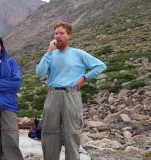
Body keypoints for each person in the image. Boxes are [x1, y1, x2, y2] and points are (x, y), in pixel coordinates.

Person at [36, 21, 107, 160]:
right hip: (52, 94)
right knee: (49, 133)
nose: (58, 36)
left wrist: (84, 78)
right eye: (56, 33)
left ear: (69, 35)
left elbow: (101, 66)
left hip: (71, 94)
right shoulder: (50, 54)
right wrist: (49, 52)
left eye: (62, 33)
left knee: (72, 133)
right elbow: (39, 72)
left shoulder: (78, 53)